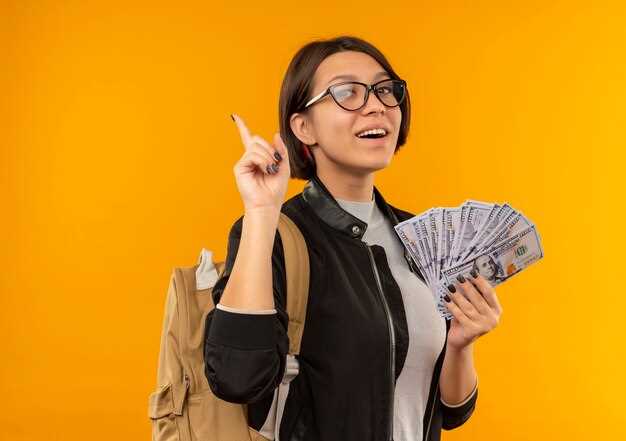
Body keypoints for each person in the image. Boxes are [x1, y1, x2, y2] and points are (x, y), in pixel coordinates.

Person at [203, 35, 503, 441]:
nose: (376, 104)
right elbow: (237, 379)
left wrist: (461, 344)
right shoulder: (276, 234)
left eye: (384, 89)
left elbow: (451, 411)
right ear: (303, 126)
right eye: (347, 93)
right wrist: (260, 212)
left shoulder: (422, 240)